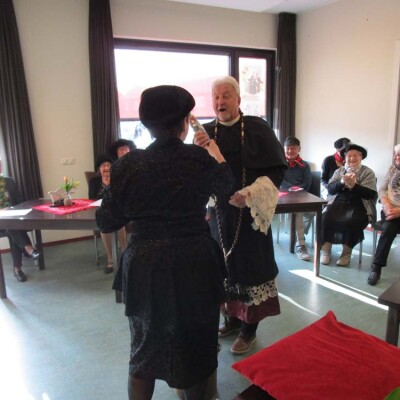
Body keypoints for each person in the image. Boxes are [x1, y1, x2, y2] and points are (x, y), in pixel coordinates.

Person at [96, 85, 233, 400]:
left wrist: (111, 191)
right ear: (184, 122)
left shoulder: (127, 165)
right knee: (197, 346)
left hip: (146, 264)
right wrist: (213, 150)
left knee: (144, 349)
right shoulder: (199, 159)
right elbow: (227, 188)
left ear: (146, 124)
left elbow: (107, 221)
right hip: (194, 261)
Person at [194, 76, 287, 355]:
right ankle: (232, 319)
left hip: (250, 214)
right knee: (224, 269)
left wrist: (250, 195)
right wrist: (198, 152)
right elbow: (197, 175)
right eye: (216, 97)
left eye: (226, 96)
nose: (220, 101)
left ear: (238, 100)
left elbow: (276, 170)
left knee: (250, 268)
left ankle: (249, 329)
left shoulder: (257, 128)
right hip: (220, 215)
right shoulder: (205, 132)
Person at [320, 143, 377, 266]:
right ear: (345, 158)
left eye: (355, 155)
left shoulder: (368, 172)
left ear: (361, 157)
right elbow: (330, 189)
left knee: (352, 220)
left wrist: (353, 185)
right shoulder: (339, 171)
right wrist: (341, 181)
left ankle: (346, 254)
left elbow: (370, 194)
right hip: (337, 202)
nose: (352, 158)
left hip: (359, 204)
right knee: (325, 217)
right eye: (349, 156)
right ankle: (325, 251)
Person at [0, 160, 40, 282]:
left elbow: (19, 201)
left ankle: (17, 269)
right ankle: (29, 250)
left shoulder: (9, 181)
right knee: (12, 226)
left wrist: (12, 208)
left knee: (11, 227)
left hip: (11, 217)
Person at [89, 154, 127, 273]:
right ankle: (110, 258)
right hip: (102, 211)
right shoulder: (94, 182)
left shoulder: (117, 179)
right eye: (103, 166)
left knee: (119, 221)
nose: (106, 168)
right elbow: (91, 198)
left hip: (117, 209)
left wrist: (109, 185)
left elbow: (121, 196)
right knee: (103, 222)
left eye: (108, 165)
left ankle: (125, 253)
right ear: (99, 169)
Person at [368, 144, 400, 285]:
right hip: (389, 210)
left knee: (389, 226)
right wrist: (386, 205)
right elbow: (381, 189)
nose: (396, 157)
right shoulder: (392, 169)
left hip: (397, 211)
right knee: (388, 228)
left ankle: (376, 267)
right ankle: (377, 268)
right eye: (396, 154)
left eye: (399, 155)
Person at [280, 136, 313, 261]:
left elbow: (307, 183)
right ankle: (301, 244)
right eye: (287, 149)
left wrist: (298, 189)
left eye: (293, 148)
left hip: (301, 195)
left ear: (299, 149)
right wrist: (292, 188)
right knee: (298, 211)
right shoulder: (281, 163)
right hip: (284, 195)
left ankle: (298, 233)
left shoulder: (305, 165)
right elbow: (280, 181)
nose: (290, 151)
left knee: (312, 212)